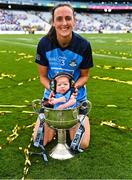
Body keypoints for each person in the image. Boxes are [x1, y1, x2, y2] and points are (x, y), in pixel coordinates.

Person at [33, 2, 93, 150]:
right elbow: (43, 76)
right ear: (53, 22)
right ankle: (55, 120)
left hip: (76, 98)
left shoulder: (84, 45)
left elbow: (84, 76)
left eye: (68, 18)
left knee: (82, 144)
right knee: (40, 140)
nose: (64, 23)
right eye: (59, 19)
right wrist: (53, 90)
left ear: (74, 20)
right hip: (52, 98)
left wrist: (74, 88)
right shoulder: (44, 43)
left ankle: (79, 114)